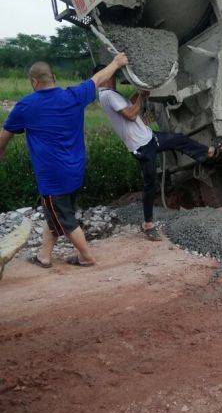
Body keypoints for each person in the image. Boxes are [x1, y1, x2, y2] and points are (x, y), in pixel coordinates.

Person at [0, 54, 129, 268]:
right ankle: (44, 256)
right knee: (56, 214)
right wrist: (116, 63)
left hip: (53, 178)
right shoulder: (74, 96)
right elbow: (97, 79)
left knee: (64, 219)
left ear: (34, 82)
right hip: (75, 171)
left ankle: (86, 257)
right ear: (54, 77)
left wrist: (1, 151)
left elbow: (5, 134)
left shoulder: (26, 106)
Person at [94, 66, 222, 241]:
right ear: (103, 77)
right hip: (141, 146)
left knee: (178, 139)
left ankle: (207, 153)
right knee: (150, 185)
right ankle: (148, 225)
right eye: (112, 76)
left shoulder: (111, 94)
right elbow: (131, 115)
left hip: (148, 138)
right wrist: (141, 95)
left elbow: (130, 106)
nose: (114, 79)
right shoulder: (108, 95)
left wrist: (140, 92)